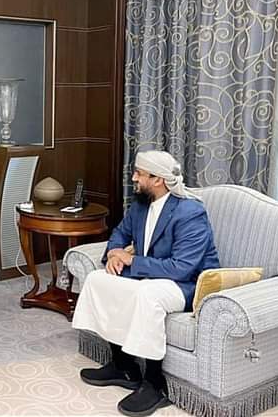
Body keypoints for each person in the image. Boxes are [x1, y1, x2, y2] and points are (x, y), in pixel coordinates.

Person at [72, 150, 220, 416]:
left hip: (187, 285)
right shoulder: (140, 205)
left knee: (147, 295)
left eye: (139, 174)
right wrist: (114, 254)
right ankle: (124, 366)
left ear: (158, 179)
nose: (133, 178)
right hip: (154, 275)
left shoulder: (190, 212)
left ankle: (155, 384)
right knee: (99, 279)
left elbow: (182, 268)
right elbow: (120, 233)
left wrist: (132, 261)